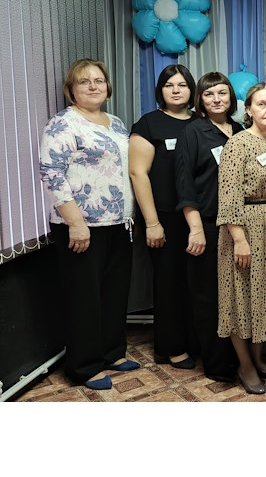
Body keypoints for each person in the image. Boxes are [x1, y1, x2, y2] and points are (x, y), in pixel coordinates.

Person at [39, 58, 139, 390]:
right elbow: (51, 174)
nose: (93, 86)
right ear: (72, 89)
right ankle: (83, 366)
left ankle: (112, 353)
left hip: (118, 223)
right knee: (84, 297)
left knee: (114, 293)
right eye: (84, 81)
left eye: (98, 80)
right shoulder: (62, 124)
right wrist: (76, 223)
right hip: (81, 226)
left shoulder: (116, 123)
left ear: (108, 87)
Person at [216, 83, 266, 395]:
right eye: (261, 104)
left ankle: (259, 358)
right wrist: (239, 239)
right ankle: (245, 365)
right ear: (248, 109)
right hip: (244, 228)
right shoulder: (237, 144)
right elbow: (228, 194)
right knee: (240, 297)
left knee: (265, 296)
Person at [130, 64, 199, 370]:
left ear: (191, 90)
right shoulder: (149, 124)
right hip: (164, 218)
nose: (176, 90)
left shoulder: (200, 123)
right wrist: (152, 222)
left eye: (182, 85)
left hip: (197, 216)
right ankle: (171, 347)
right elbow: (138, 173)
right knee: (169, 282)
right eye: (169, 85)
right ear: (160, 90)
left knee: (194, 283)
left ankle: (194, 341)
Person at [174, 72, 242, 383]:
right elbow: (184, 183)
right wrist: (196, 228)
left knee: (237, 295)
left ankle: (240, 358)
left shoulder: (240, 130)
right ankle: (217, 364)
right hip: (208, 225)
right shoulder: (193, 132)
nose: (216, 99)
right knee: (209, 296)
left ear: (231, 97)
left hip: (239, 226)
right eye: (209, 94)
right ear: (200, 100)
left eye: (222, 93)